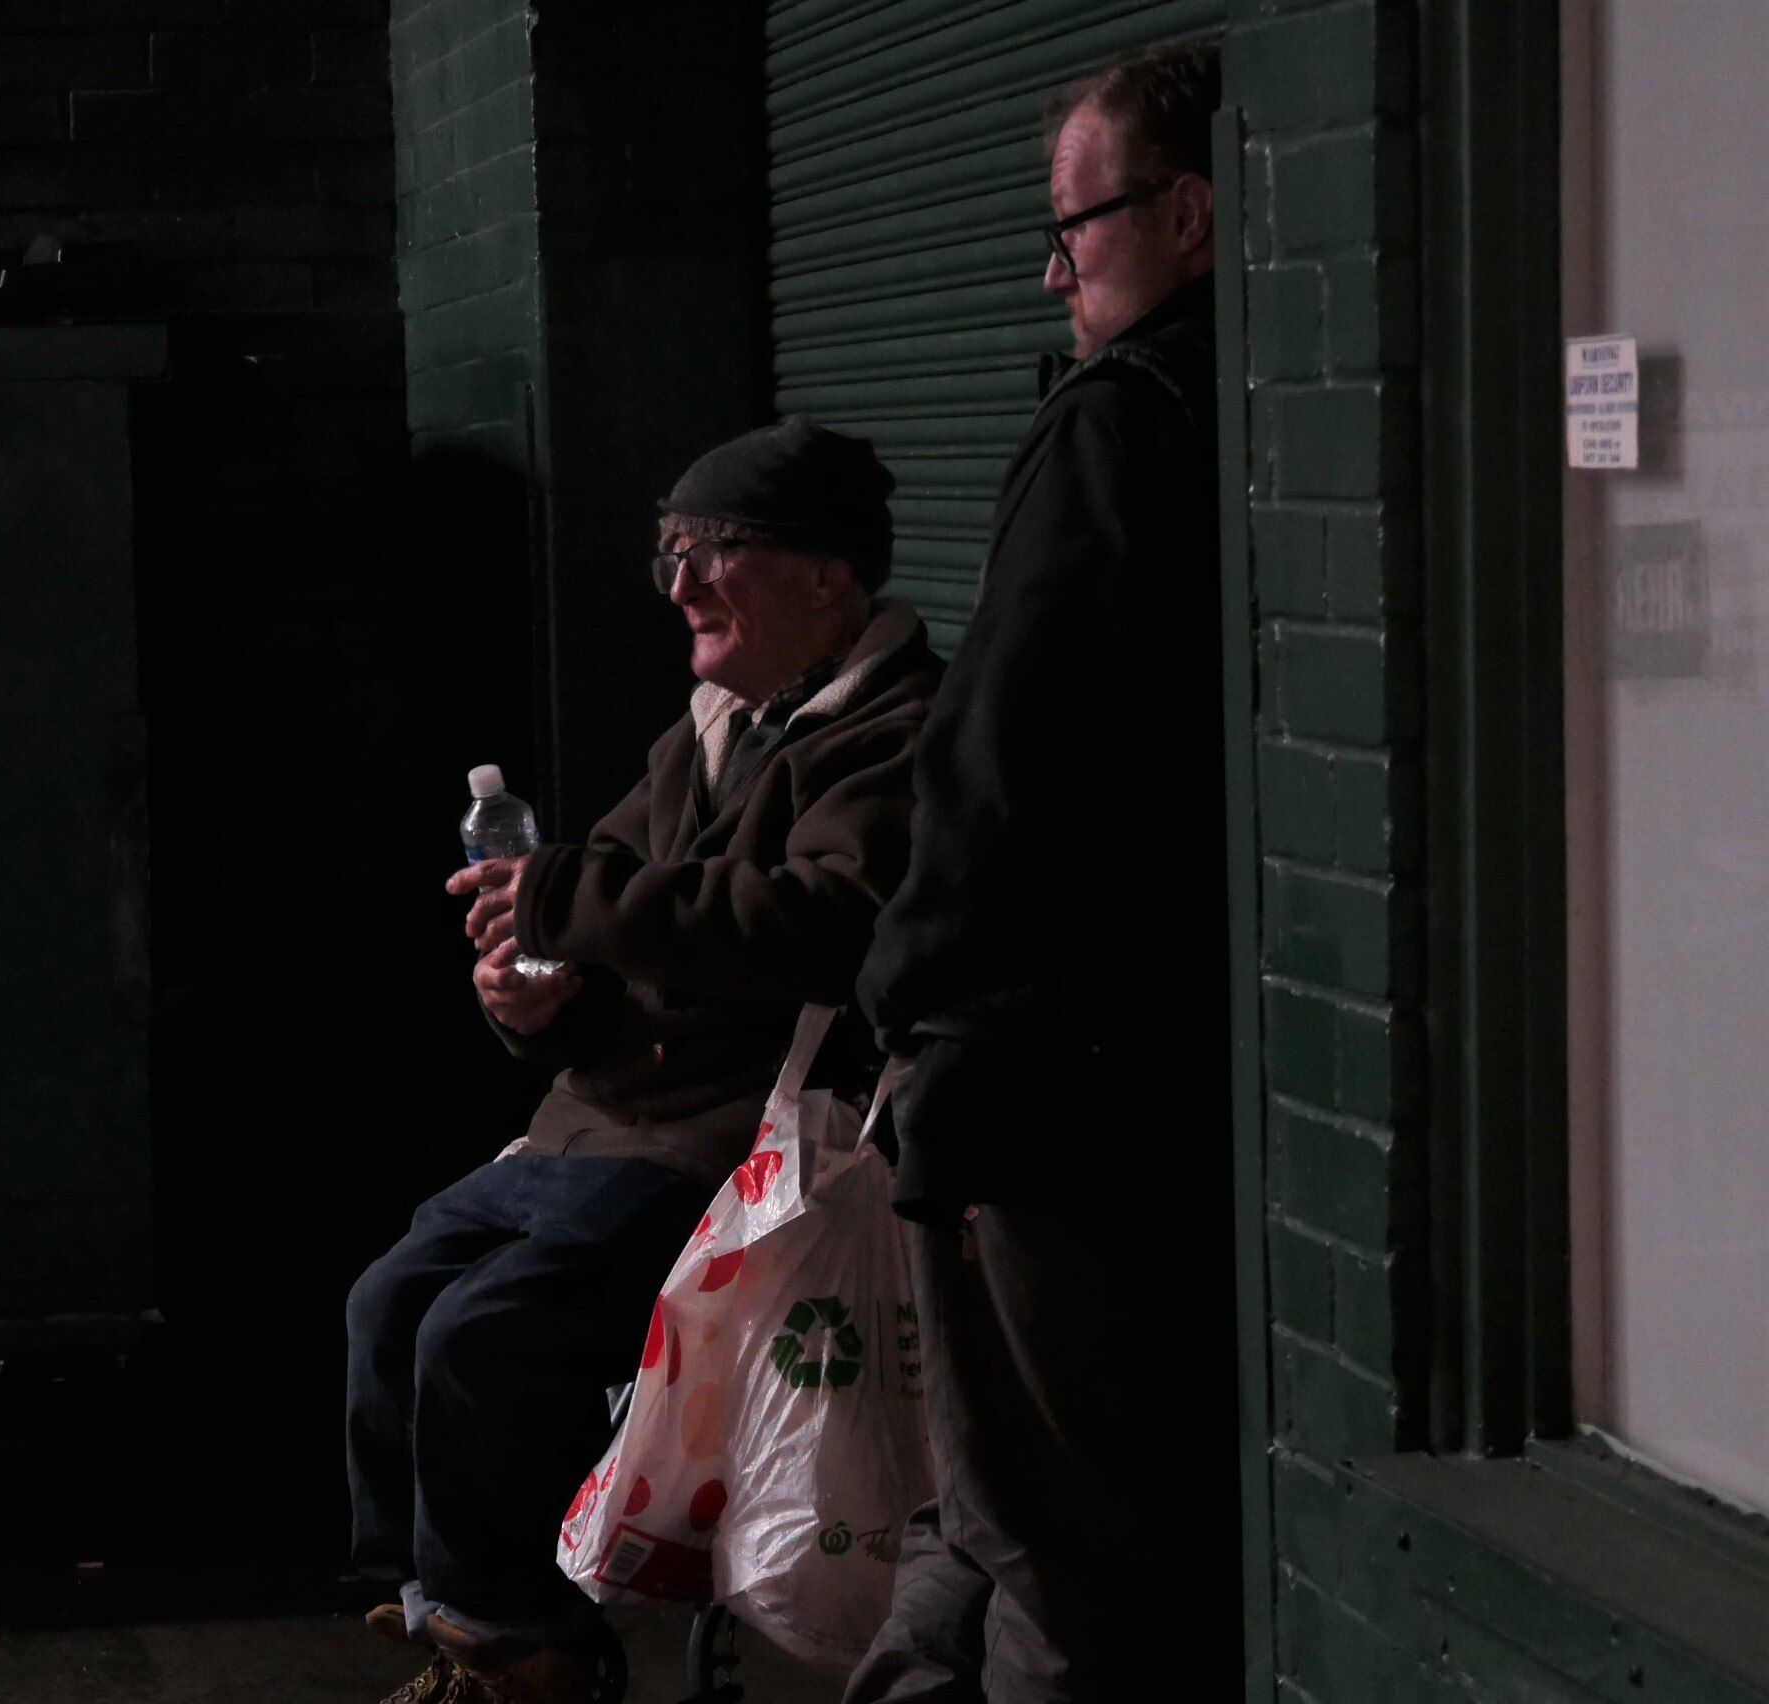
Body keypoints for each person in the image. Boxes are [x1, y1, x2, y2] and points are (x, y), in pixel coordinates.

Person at [348, 417, 944, 1704]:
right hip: (597, 1117)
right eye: (671, 550)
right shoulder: (708, 730)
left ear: (827, 573)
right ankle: (457, 1618)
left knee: (480, 1336)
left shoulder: (891, 736)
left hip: (725, 1143)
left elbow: (820, 920)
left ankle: (521, 1650)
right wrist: (534, 998)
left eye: (716, 551)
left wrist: (562, 900)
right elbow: (604, 904)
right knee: (389, 1302)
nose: (678, 585)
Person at [845, 42, 1236, 1704]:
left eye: (1075, 226)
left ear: (1192, 214)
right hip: (1146, 1078)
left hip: (1038, 1081)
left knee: (1044, 1544)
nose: (1056, 266)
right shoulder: (1260, 412)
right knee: (1023, 1518)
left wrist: (908, 998)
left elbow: (997, 759)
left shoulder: (1117, 425)